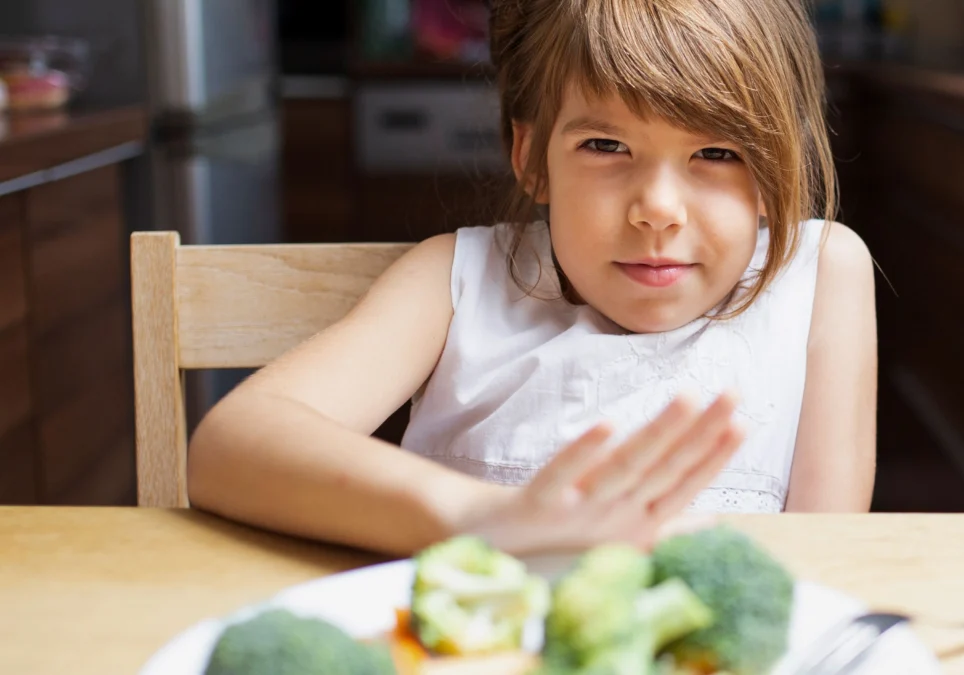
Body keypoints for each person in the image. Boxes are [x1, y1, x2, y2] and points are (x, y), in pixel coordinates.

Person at [186, 0, 878, 559]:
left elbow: (826, 559)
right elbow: (228, 445)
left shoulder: (817, 277)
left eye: (717, 151)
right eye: (606, 146)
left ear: (778, 168)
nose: (659, 210)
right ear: (532, 157)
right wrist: (487, 516)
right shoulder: (454, 281)